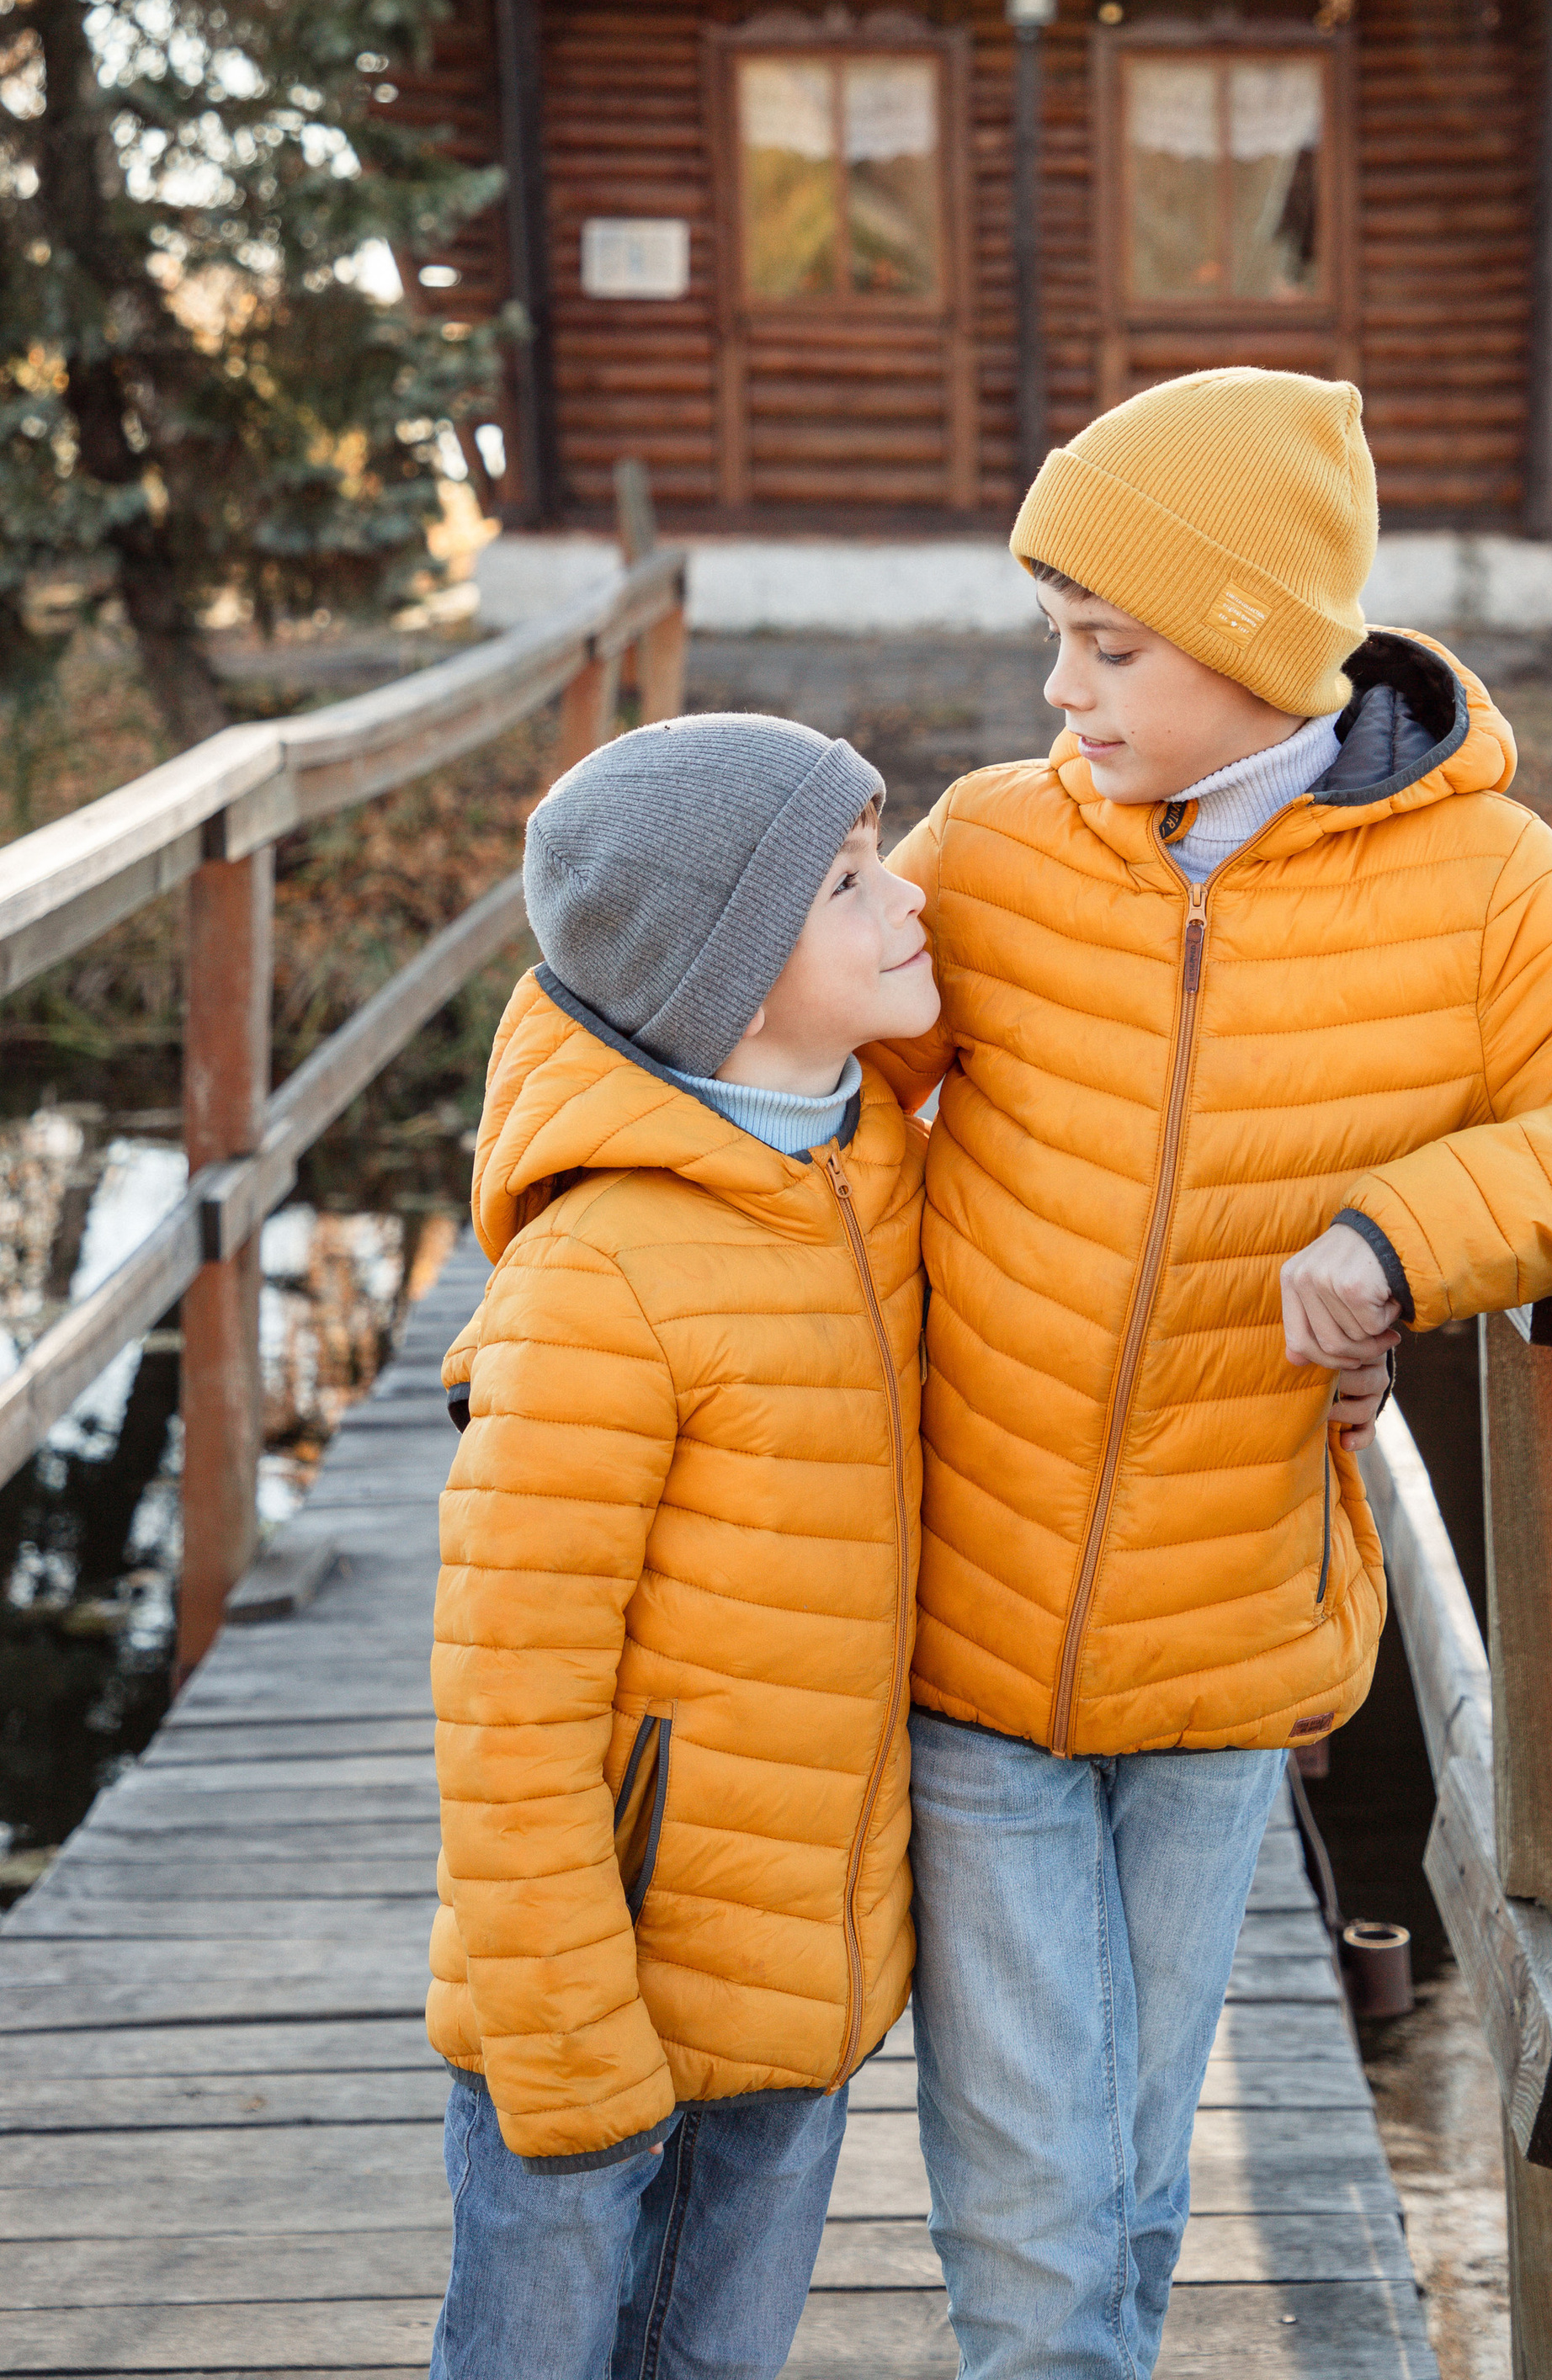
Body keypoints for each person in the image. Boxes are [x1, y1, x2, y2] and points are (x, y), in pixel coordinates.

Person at [864, 366, 1552, 2380]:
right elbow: (772, 1102)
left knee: (1124, 2190)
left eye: (1105, 645)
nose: (1061, 691)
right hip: (965, 1649)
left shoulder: (1477, 895)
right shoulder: (988, 856)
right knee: (1038, 2240)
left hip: (1225, 1661)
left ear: (1242, 641)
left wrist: (1401, 1233)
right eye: (1057, 639)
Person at [423, 712, 940, 2380]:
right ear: (727, 969)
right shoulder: (599, 1279)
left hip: (801, 1978)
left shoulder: (881, 1177)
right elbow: (506, 1710)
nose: (908, 900)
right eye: (851, 881)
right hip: (598, 1998)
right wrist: (568, 2046)